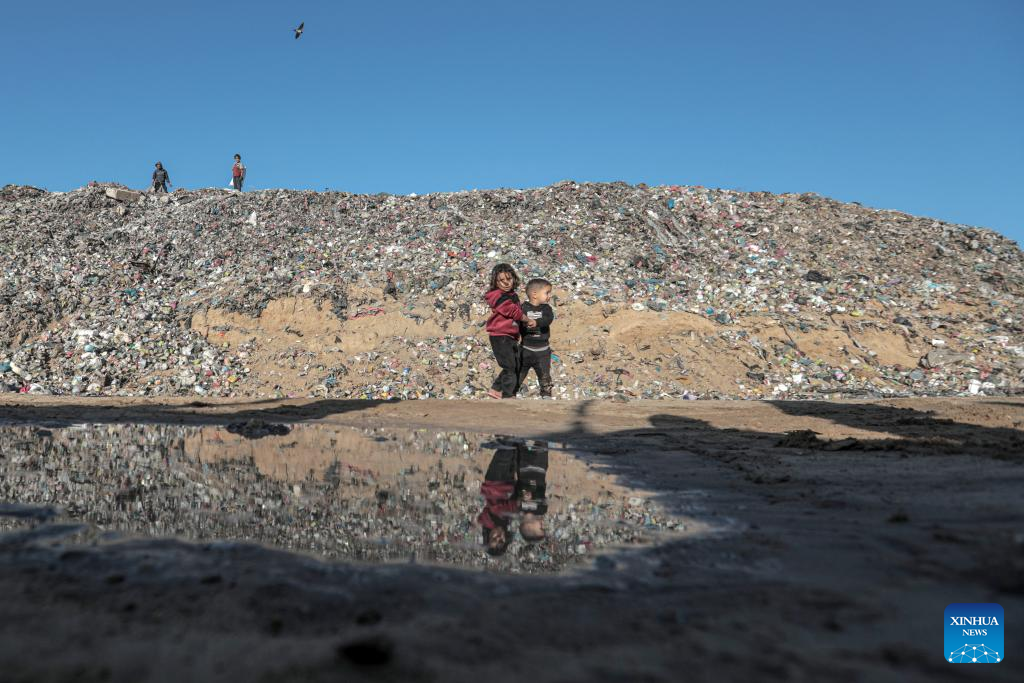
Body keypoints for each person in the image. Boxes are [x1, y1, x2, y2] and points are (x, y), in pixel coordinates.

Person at [477, 438, 549, 556]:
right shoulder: (504, 523)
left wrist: (518, 505)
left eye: (494, 539)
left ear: (488, 536)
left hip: (495, 482)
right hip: (506, 483)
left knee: (507, 448)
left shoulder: (489, 521)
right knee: (514, 448)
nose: (498, 537)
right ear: (506, 540)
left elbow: (498, 508)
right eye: (501, 541)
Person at [483, 264, 534, 399]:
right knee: (509, 366)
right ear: (495, 282)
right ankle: (507, 395)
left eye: (509, 279)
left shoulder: (513, 295)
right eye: (501, 280)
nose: (506, 283)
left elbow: (517, 314)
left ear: (514, 279)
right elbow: (511, 311)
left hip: (510, 336)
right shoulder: (496, 296)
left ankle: (495, 389)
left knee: (513, 364)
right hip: (500, 336)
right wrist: (527, 319)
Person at [518, 278, 555, 398]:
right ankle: (510, 394)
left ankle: (546, 396)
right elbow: (517, 322)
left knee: (545, 376)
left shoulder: (546, 309)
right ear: (534, 294)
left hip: (543, 351)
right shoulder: (522, 308)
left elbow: (548, 320)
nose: (549, 296)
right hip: (525, 349)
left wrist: (536, 322)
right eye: (547, 293)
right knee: (518, 373)